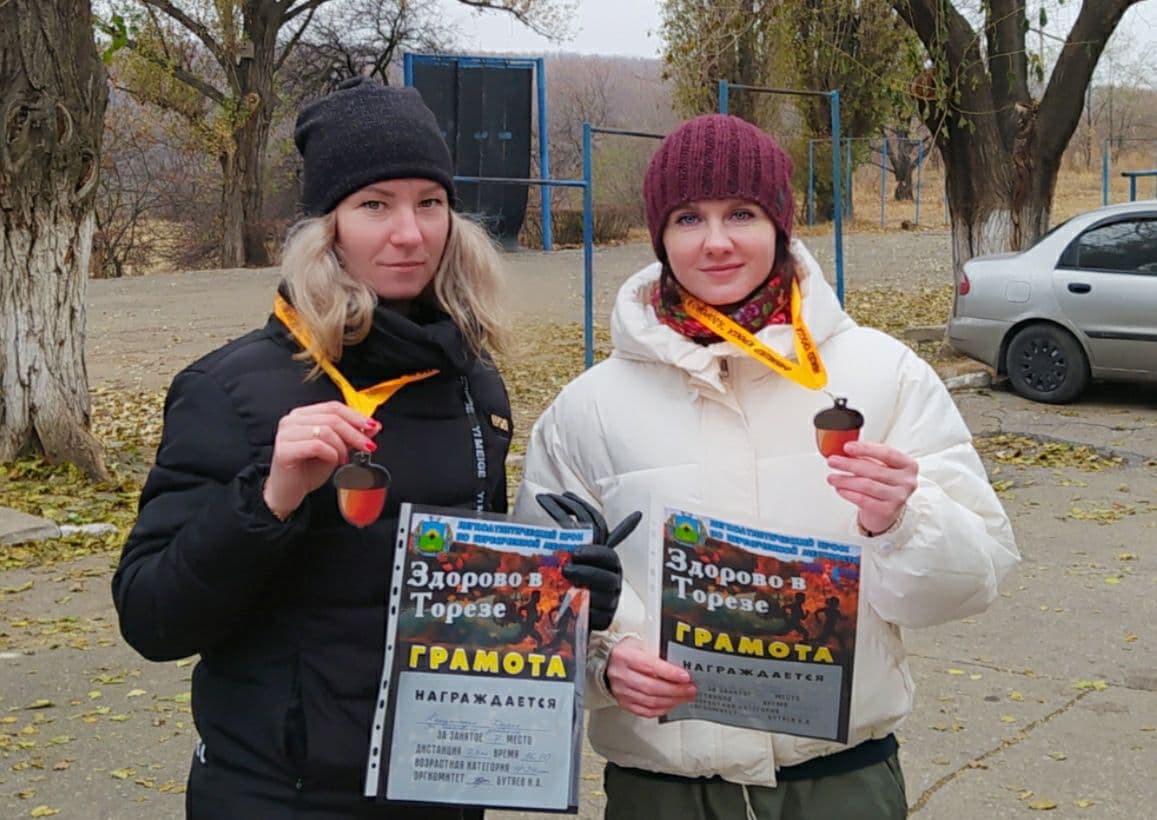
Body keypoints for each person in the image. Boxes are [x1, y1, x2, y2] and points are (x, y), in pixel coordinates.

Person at [111, 78, 619, 819]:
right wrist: (271, 495)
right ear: (329, 228)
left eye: (429, 202)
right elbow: (153, 621)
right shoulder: (228, 388)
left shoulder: (472, 384)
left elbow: (463, 599)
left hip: (441, 781)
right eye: (374, 205)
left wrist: (567, 595)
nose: (408, 232)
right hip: (279, 795)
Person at [514, 114, 1019, 820]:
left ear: (780, 224)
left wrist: (903, 520)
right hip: (662, 791)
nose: (716, 241)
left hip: (840, 783)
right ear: (659, 234)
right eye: (688, 217)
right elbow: (531, 606)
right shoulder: (587, 410)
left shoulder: (882, 374)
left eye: (741, 214)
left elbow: (969, 585)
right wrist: (603, 663)